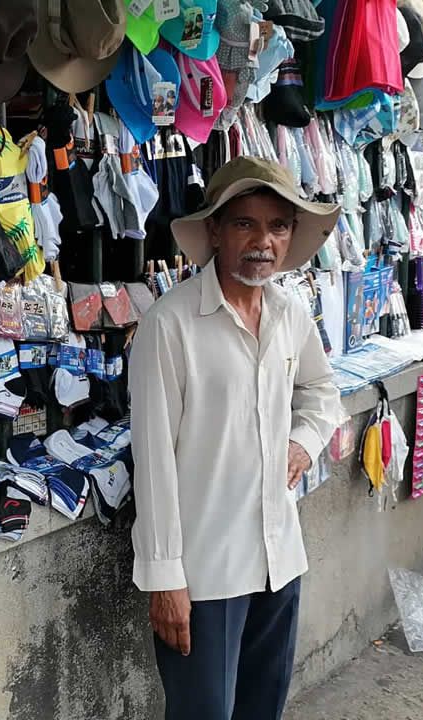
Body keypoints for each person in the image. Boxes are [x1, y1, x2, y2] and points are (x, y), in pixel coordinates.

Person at [129, 156, 343, 720]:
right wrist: (164, 577)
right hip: (205, 570)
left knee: (261, 708)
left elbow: (323, 392)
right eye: (246, 223)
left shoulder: (288, 312)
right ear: (216, 231)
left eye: (278, 226)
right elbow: (152, 460)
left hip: (278, 556)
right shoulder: (170, 325)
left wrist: (303, 441)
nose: (263, 241)